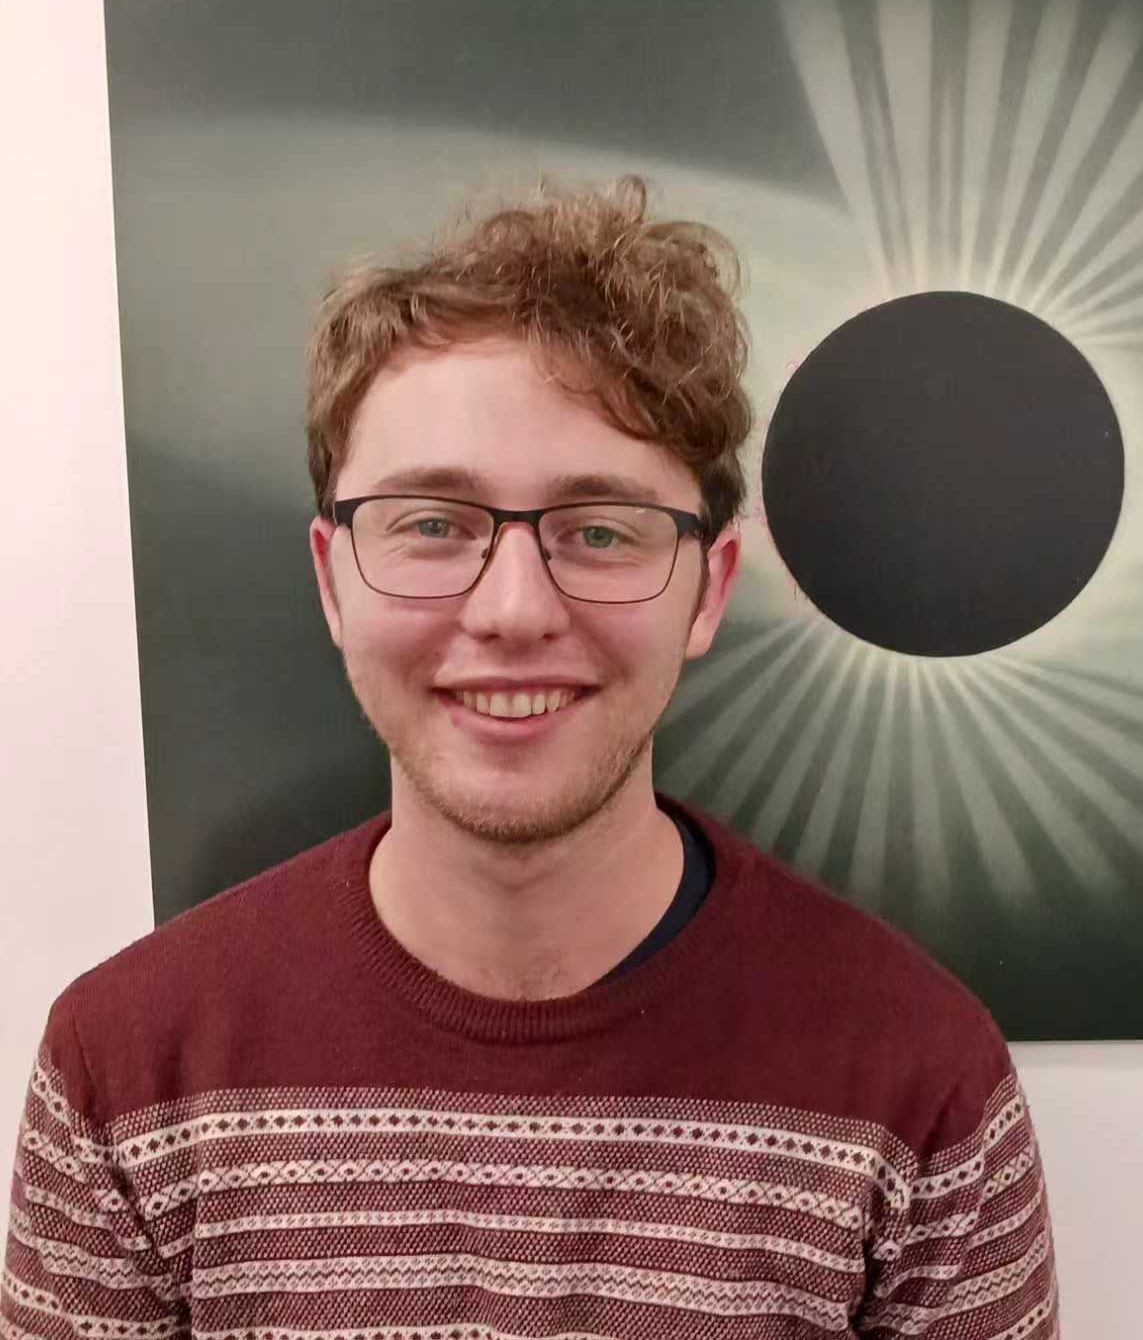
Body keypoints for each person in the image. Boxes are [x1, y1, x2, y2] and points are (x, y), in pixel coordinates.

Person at [2, 178, 1058, 1338]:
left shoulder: (921, 1088)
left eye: (599, 531)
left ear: (707, 591)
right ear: (331, 580)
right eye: (431, 524)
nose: (512, 610)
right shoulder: (128, 1074)